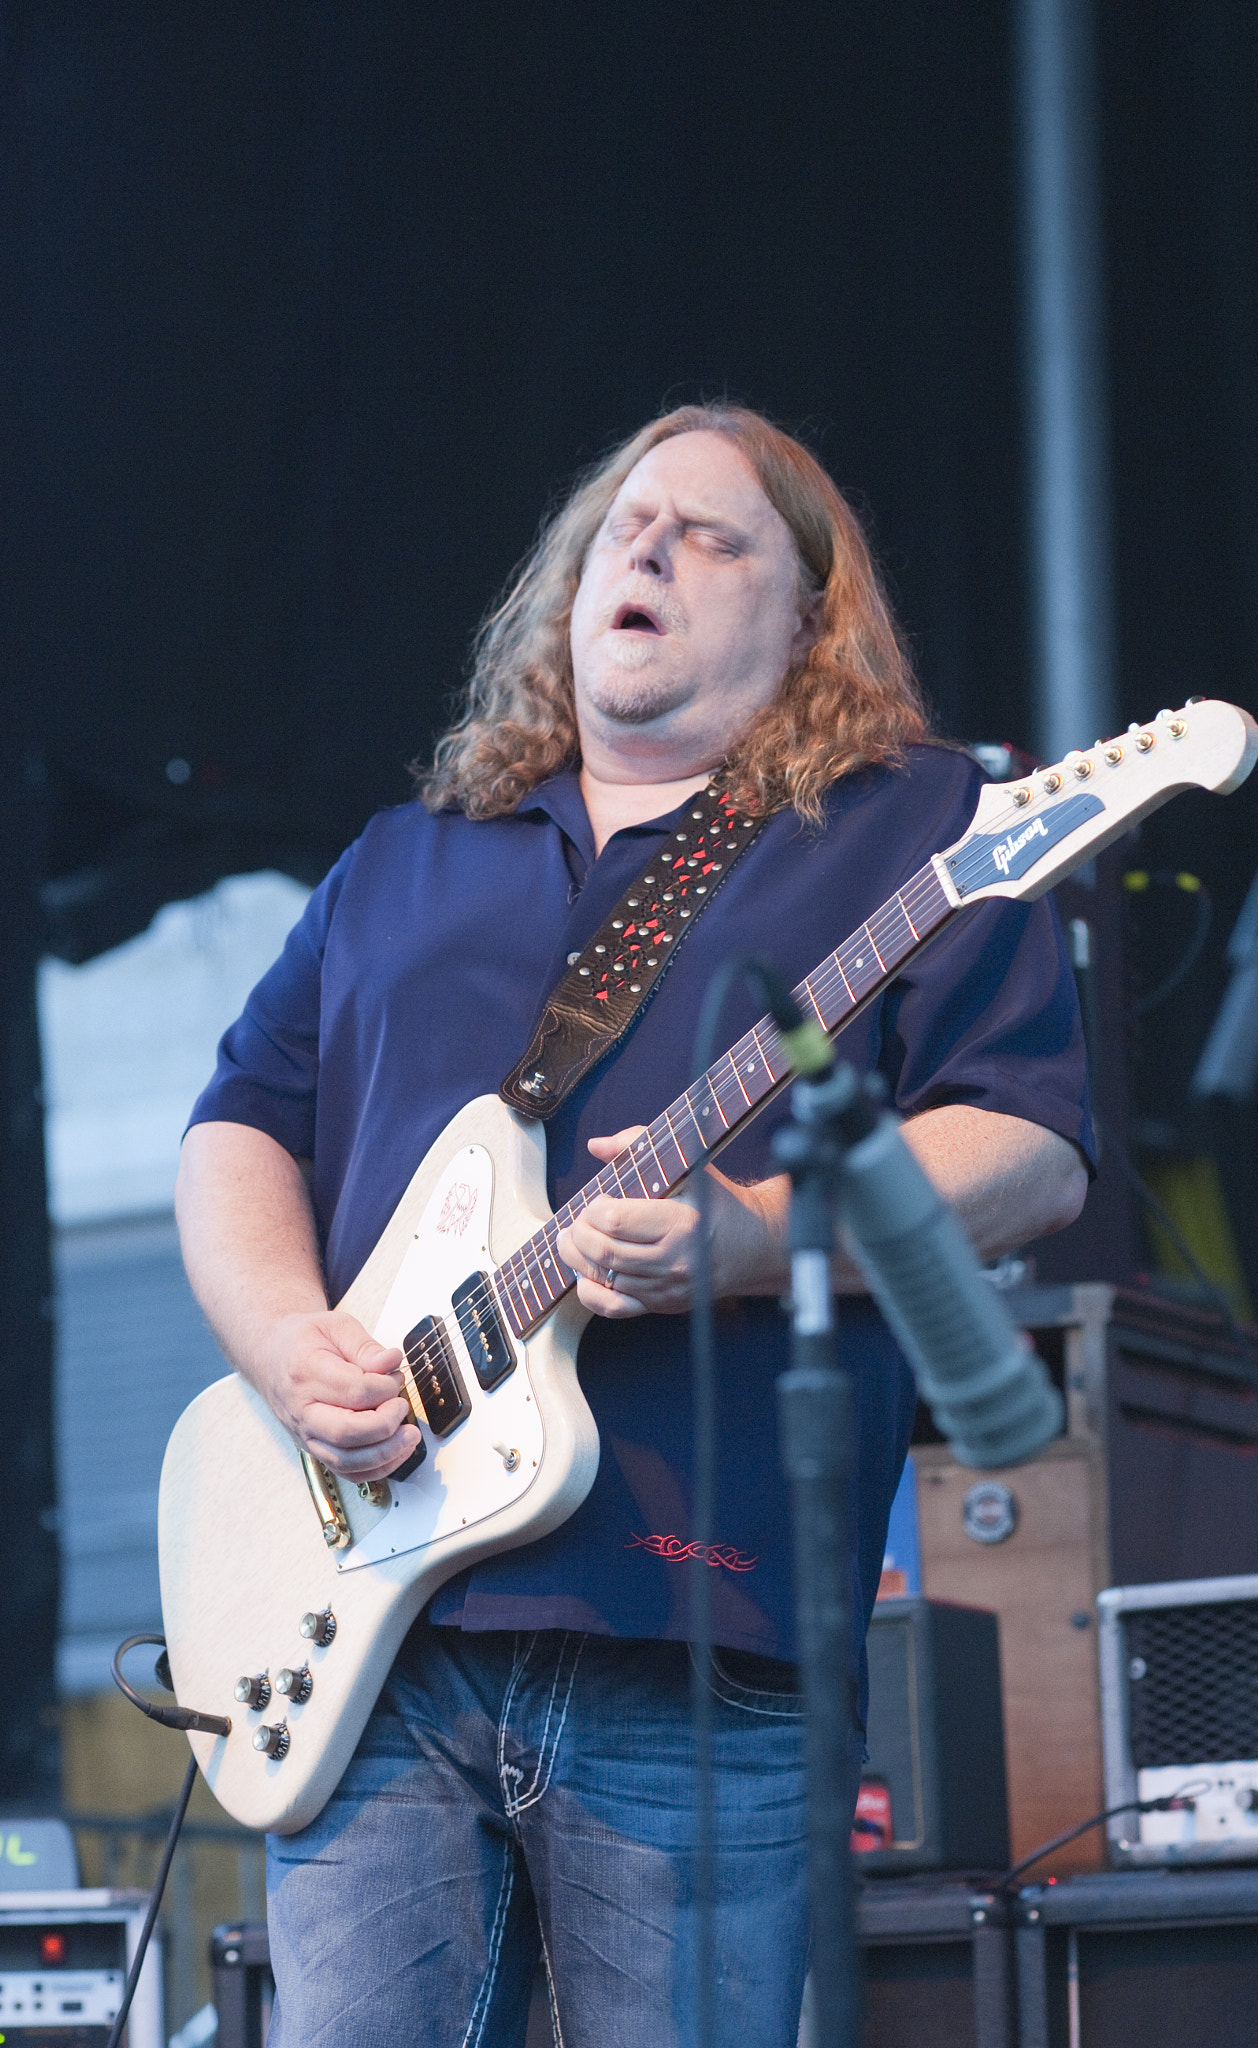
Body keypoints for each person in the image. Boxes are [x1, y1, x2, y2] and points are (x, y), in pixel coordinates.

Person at [176, 404, 1092, 2048]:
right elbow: (239, 1125)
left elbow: (1029, 1146)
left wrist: (750, 1235)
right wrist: (282, 1342)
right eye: (622, 530)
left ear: (811, 616)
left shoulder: (914, 831)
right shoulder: (406, 862)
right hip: (370, 1641)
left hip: (698, 1629)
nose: (648, 553)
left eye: (709, 534)